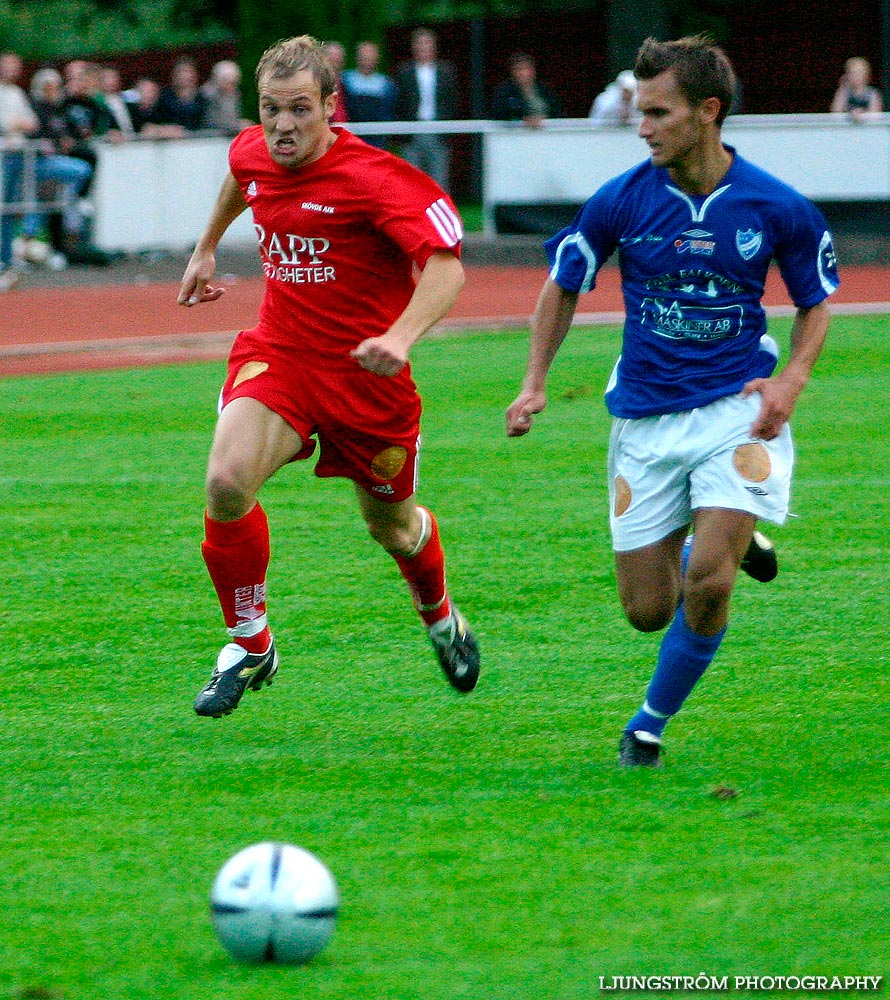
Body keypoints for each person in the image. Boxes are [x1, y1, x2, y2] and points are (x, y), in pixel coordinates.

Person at [505, 35, 839, 767]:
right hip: (646, 418)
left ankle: (648, 725)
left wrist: (792, 381)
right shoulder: (623, 200)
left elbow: (815, 303)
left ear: (707, 112)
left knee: (709, 585)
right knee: (647, 611)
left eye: (658, 111)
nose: (643, 125)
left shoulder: (774, 206)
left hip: (737, 408)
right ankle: (713, 537)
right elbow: (563, 284)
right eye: (640, 111)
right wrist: (534, 381)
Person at [177, 35, 479, 719]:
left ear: (331, 108)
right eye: (271, 109)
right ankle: (251, 644)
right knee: (225, 482)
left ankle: (440, 618)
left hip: (367, 383)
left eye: (300, 110)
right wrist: (204, 250)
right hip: (281, 355)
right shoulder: (255, 148)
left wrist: (400, 338)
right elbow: (241, 175)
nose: (283, 127)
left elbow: (447, 266)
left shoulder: (376, 179)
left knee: (394, 529)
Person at [394, 28, 458, 191]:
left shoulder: (446, 70)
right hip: (412, 130)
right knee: (411, 180)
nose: (423, 47)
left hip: (437, 129)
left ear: (434, 46)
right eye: (419, 43)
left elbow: (452, 101)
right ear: (413, 46)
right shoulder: (404, 71)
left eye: (427, 42)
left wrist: (446, 128)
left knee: (439, 180)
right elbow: (399, 103)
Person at [0, 51, 39, 290]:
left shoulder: (16, 92)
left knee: (10, 211)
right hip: (4, 155)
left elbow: (31, 122)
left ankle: (6, 259)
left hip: (17, 155)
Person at [341, 40, 396, 149]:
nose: (367, 59)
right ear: (357, 57)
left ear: (377, 59)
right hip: (351, 137)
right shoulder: (345, 79)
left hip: (377, 139)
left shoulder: (385, 83)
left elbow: (389, 112)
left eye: (371, 56)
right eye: (364, 55)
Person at [491, 52, 563, 128]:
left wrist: (544, 118)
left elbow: (557, 110)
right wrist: (523, 119)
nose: (524, 73)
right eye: (519, 69)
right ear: (513, 71)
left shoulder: (544, 89)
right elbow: (499, 114)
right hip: (515, 135)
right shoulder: (504, 91)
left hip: (547, 134)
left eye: (527, 68)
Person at [156, 57, 208, 133]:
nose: (184, 76)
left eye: (188, 72)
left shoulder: (203, 99)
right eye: (180, 72)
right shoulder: (164, 98)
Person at [202, 60, 251, 136]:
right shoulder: (207, 95)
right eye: (228, 82)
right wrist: (237, 125)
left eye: (234, 83)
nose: (232, 87)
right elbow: (211, 121)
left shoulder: (234, 94)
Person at [321, 42, 349, 123]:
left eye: (337, 59)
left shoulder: (348, 85)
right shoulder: (316, 85)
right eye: (331, 57)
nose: (335, 60)